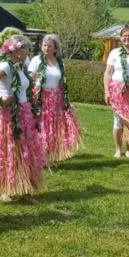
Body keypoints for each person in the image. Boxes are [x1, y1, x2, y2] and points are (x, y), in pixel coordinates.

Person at [0, 35, 45, 204]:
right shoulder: (5, 66)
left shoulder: (20, 66)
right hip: (9, 115)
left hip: (23, 112)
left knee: (24, 151)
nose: (29, 52)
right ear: (17, 50)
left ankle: (25, 188)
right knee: (7, 151)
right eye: (27, 49)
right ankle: (4, 188)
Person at [27, 34, 82, 166]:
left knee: (53, 127)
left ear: (55, 49)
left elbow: (62, 83)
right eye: (44, 45)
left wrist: (66, 101)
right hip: (40, 97)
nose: (46, 48)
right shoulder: (36, 60)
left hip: (55, 98)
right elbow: (31, 78)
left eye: (49, 46)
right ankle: (40, 156)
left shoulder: (60, 63)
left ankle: (50, 156)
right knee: (42, 126)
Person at [103, 26, 129, 158]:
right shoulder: (115, 53)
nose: (127, 38)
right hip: (118, 90)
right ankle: (118, 149)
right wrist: (107, 92)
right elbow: (108, 73)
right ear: (120, 38)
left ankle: (128, 149)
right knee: (118, 120)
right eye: (124, 35)